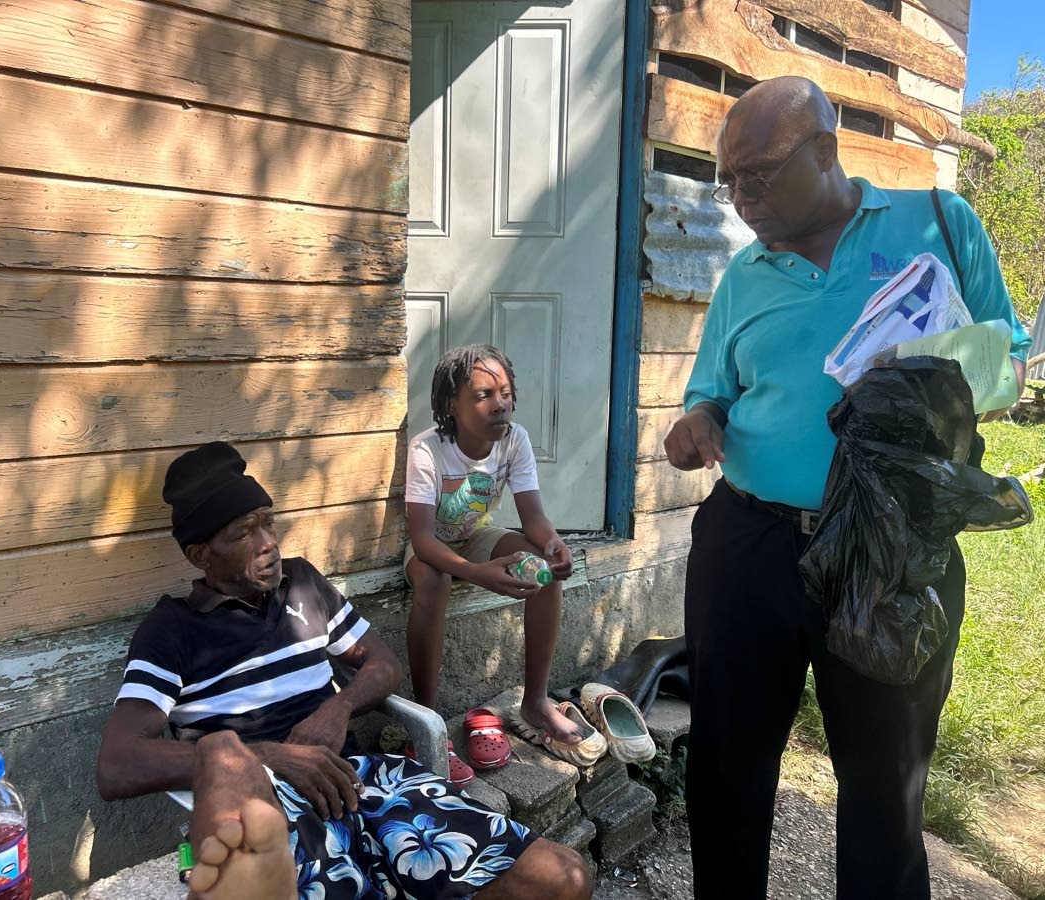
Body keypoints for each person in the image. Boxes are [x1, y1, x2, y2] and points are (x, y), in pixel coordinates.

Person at [665, 76, 1031, 900]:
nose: (741, 198)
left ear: (825, 150)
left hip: (890, 549)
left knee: (885, 785)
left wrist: (937, 376)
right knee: (726, 770)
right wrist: (697, 422)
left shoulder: (939, 224)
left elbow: (1010, 366)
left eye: (758, 175)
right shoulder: (745, 275)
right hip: (750, 544)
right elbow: (710, 391)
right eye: (729, 182)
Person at [95, 441, 591, 900]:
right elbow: (117, 765)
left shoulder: (302, 584)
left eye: (268, 523)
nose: (268, 543)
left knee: (564, 878)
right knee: (221, 754)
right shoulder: (172, 630)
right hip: (261, 799)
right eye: (244, 533)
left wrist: (338, 708)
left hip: (359, 782)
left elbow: (383, 664)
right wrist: (271, 757)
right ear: (201, 554)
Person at [404, 345, 582, 782]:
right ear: (452, 404)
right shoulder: (428, 449)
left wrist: (553, 543)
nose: (500, 404)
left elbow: (532, 517)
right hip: (429, 546)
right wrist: (476, 573)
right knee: (435, 581)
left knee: (542, 568)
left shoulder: (515, 439)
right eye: (484, 395)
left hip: (475, 535)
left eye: (505, 393)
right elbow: (422, 539)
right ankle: (427, 722)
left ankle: (535, 702)